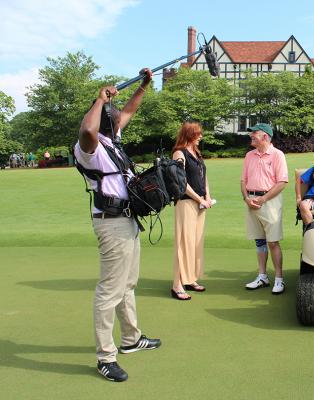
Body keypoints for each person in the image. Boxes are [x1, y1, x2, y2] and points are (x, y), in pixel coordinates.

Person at [74, 69, 161, 383]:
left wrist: (143, 86)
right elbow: (87, 128)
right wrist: (98, 101)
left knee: (128, 284)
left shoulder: (112, 141)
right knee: (109, 291)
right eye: (110, 114)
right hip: (110, 223)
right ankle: (104, 357)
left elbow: (129, 111)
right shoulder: (90, 147)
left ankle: (131, 339)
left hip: (127, 220)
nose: (117, 115)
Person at [240, 123, 288, 294]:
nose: (251, 136)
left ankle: (279, 279)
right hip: (251, 200)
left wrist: (263, 198)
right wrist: (246, 198)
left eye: (255, 133)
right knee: (259, 241)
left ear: (265, 136)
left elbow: (282, 182)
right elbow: (243, 181)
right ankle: (262, 276)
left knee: (273, 241)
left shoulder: (277, 155)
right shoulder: (249, 156)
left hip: (270, 201)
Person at [171, 121, 212, 301]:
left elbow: (204, 177)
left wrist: (207, 197)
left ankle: (190, 279)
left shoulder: (197, 153)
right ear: (189, 134)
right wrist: (199, 198)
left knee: (195, 243)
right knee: (184, 243)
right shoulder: (179, 153)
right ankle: (177, 284)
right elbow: (181, 182)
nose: (201, 136)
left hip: (200, 204)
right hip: (186, 203)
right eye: (198, 133)